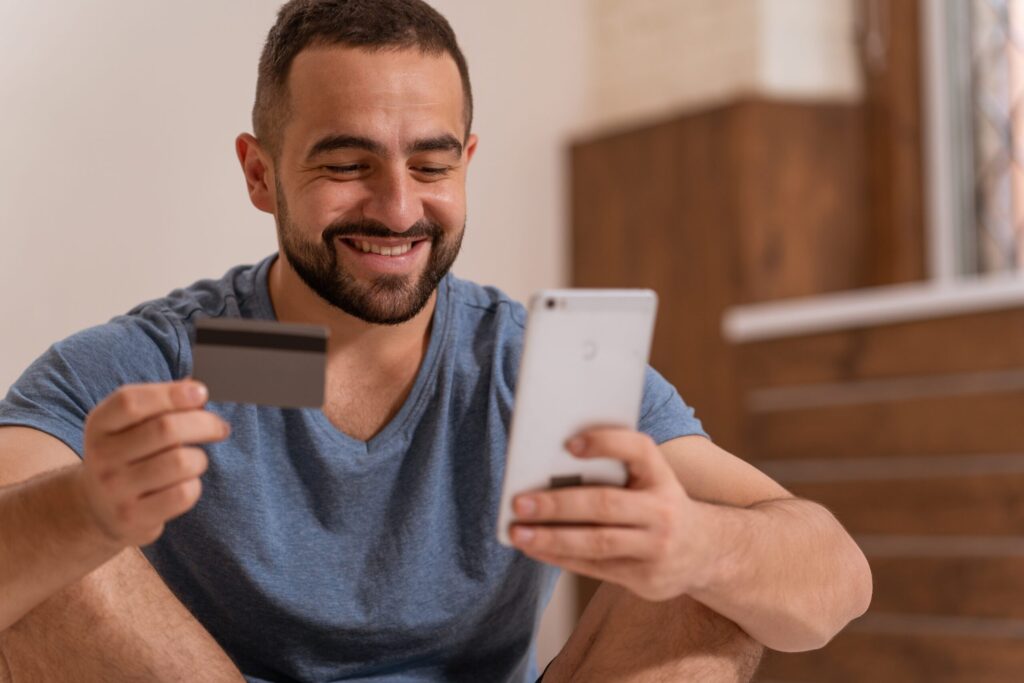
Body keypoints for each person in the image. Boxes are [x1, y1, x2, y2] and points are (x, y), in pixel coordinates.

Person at [0, 1, 872, 681]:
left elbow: (833, 580)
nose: (397, 206)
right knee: (42, 562)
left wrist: (692, 544)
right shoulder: (149, 364)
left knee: (730, 573)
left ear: (467, 161)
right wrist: (85, 509)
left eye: (431, 163)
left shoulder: (537, 366)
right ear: (261, 173)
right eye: (346, 164)